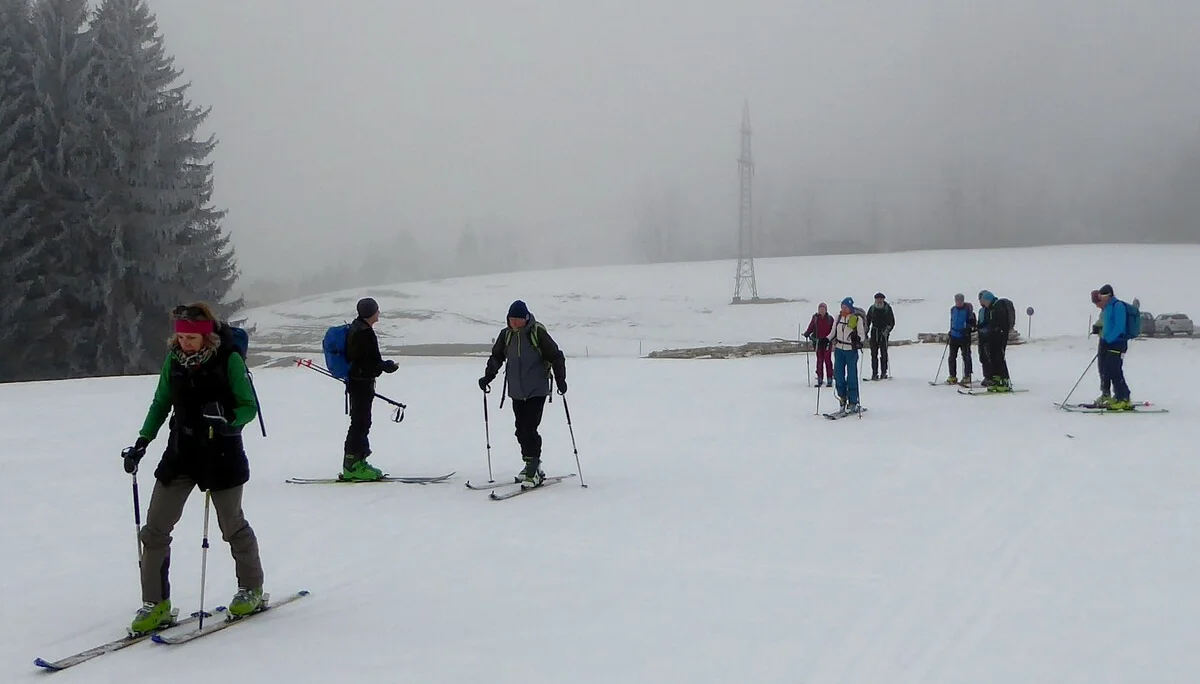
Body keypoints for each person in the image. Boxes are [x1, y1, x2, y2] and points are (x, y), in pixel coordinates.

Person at [121, 303, 266, 635]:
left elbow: (248, 406)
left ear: (205, 337)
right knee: (155, 530)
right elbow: (161, 403)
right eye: (181, 337)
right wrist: (142, 442)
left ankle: (251, 589)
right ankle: (155, 604)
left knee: (232, 527)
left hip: (222, 454)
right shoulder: (173, 360)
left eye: (191, 338)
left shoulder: (228, 360)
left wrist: (229, 423)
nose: (184, 342)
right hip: (181, 453)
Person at [478, 300, 567, 486]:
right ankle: (531, 465)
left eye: (519, 319)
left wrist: (560, 380)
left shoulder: (537, 333)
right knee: (520, 430)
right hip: (517, 391)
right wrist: (488, 377)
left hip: (537, 389)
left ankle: (533, 468)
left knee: (529, 428)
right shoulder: (506, 335)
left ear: (526, 318)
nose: (515, 322)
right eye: (512, 319)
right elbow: (497, 357)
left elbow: (556, 355)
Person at [342, 297, 398, 481]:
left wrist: (381, 365)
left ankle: (359, 461)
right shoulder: (364, 333)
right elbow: (367, 360)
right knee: (360, 423)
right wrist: (384, 366)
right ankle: (352, 466)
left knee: (361, 422)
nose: (379, 313)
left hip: (357, 381)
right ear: (371, 312)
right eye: (377, 310)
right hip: (361, 383)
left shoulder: (357, 328)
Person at [1095, 284, 1133, 410]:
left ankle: (1125, 398)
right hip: (1109, 342)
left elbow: (1119, 326)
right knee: (1109, 370)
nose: (1101, 299)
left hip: (1118, 343)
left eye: (1102, 296)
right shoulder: (1108, 307)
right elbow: (1107, 325)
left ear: (1108, 295)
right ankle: (1118, 397)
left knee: (1115, 371)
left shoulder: (1118, 306)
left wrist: (1109, 339)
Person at [825, 297, 866, 413]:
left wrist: (857, 338)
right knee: (838, 375)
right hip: (839, 349)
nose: (843, 308)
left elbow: (862, 336)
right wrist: (825, 339)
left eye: (846, 307)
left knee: (852, 376)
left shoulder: (857, 319)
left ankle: (853, 402)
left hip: (851, 350)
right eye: (842, 306)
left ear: (850, 307)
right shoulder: (838, 318)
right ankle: (842, 399)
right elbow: (833, 332)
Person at [978, 290, 1015, 392]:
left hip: (1000, 337)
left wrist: (995, 331)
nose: (983, 304)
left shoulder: (998, 307)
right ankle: (997, 380)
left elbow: (1000, 324)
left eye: (983, 301)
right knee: (993, 358)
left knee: (999, 358)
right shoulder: (991, 308)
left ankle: (1004, 381)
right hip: (993, 337)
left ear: (987, 299)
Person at [945, 293, 977, 384]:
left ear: (963, 301)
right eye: (957, 300)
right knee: (952, 357)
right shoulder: (953, 310)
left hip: (964, 337)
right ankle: (952, 375)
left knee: (966, 356)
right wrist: (950, 331)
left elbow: (973, 324)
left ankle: (967, 376)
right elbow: (952, 321)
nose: (958, 302)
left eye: (960, 300)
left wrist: (968, 329)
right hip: (954, 336)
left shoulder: (968, 310)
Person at [803, 302, 834, 387]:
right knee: (819, 361)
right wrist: (807, 333)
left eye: (823, 309)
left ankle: (829, 379)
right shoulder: (815, 318)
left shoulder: (830, 319)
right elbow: (811, 327)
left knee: (828, 360)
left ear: (826, 310)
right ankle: (820, 378)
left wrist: (831, 339)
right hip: (818, 342)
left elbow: (833, 330)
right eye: (820, 309)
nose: (822, 310)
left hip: (827, 342)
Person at [865, 292, 895, 379]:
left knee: (884, 353)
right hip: (874, 332)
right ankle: (874, 373)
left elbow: (891, 322)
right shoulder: (872, 308)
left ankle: (884, 372)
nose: (879, 300)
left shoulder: (887, 308)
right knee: (873, 354)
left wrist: (887, 331)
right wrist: (866, 332)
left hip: (883, 334)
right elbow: (868, 321)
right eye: (878, 299)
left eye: (881, 299)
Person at [1089, 289, 1111, 405]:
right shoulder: (1104, 310)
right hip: (1103, 341)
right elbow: (1102, 321)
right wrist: (1096, 326)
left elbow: (1108, 324)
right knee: (1101, 368)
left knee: (1107, 370)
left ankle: (1108, 394)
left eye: (1097, 303)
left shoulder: (1110, 309)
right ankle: (1105, 393)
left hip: (1109, 342)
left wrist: (1099, 327)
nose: (1097, 306)